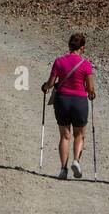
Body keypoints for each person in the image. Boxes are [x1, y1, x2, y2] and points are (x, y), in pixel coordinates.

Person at [40, 33, 96, 180]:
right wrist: (92, 94)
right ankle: (76, 161)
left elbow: (51, 83)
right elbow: (90, 89)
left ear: (69, 46)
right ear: (82, 48)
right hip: (79, 101)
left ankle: (63, 169)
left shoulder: (59, 61)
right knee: (79, 134)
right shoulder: (86, 64)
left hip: (62, 100)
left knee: (65, 136)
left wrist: (45, 87)